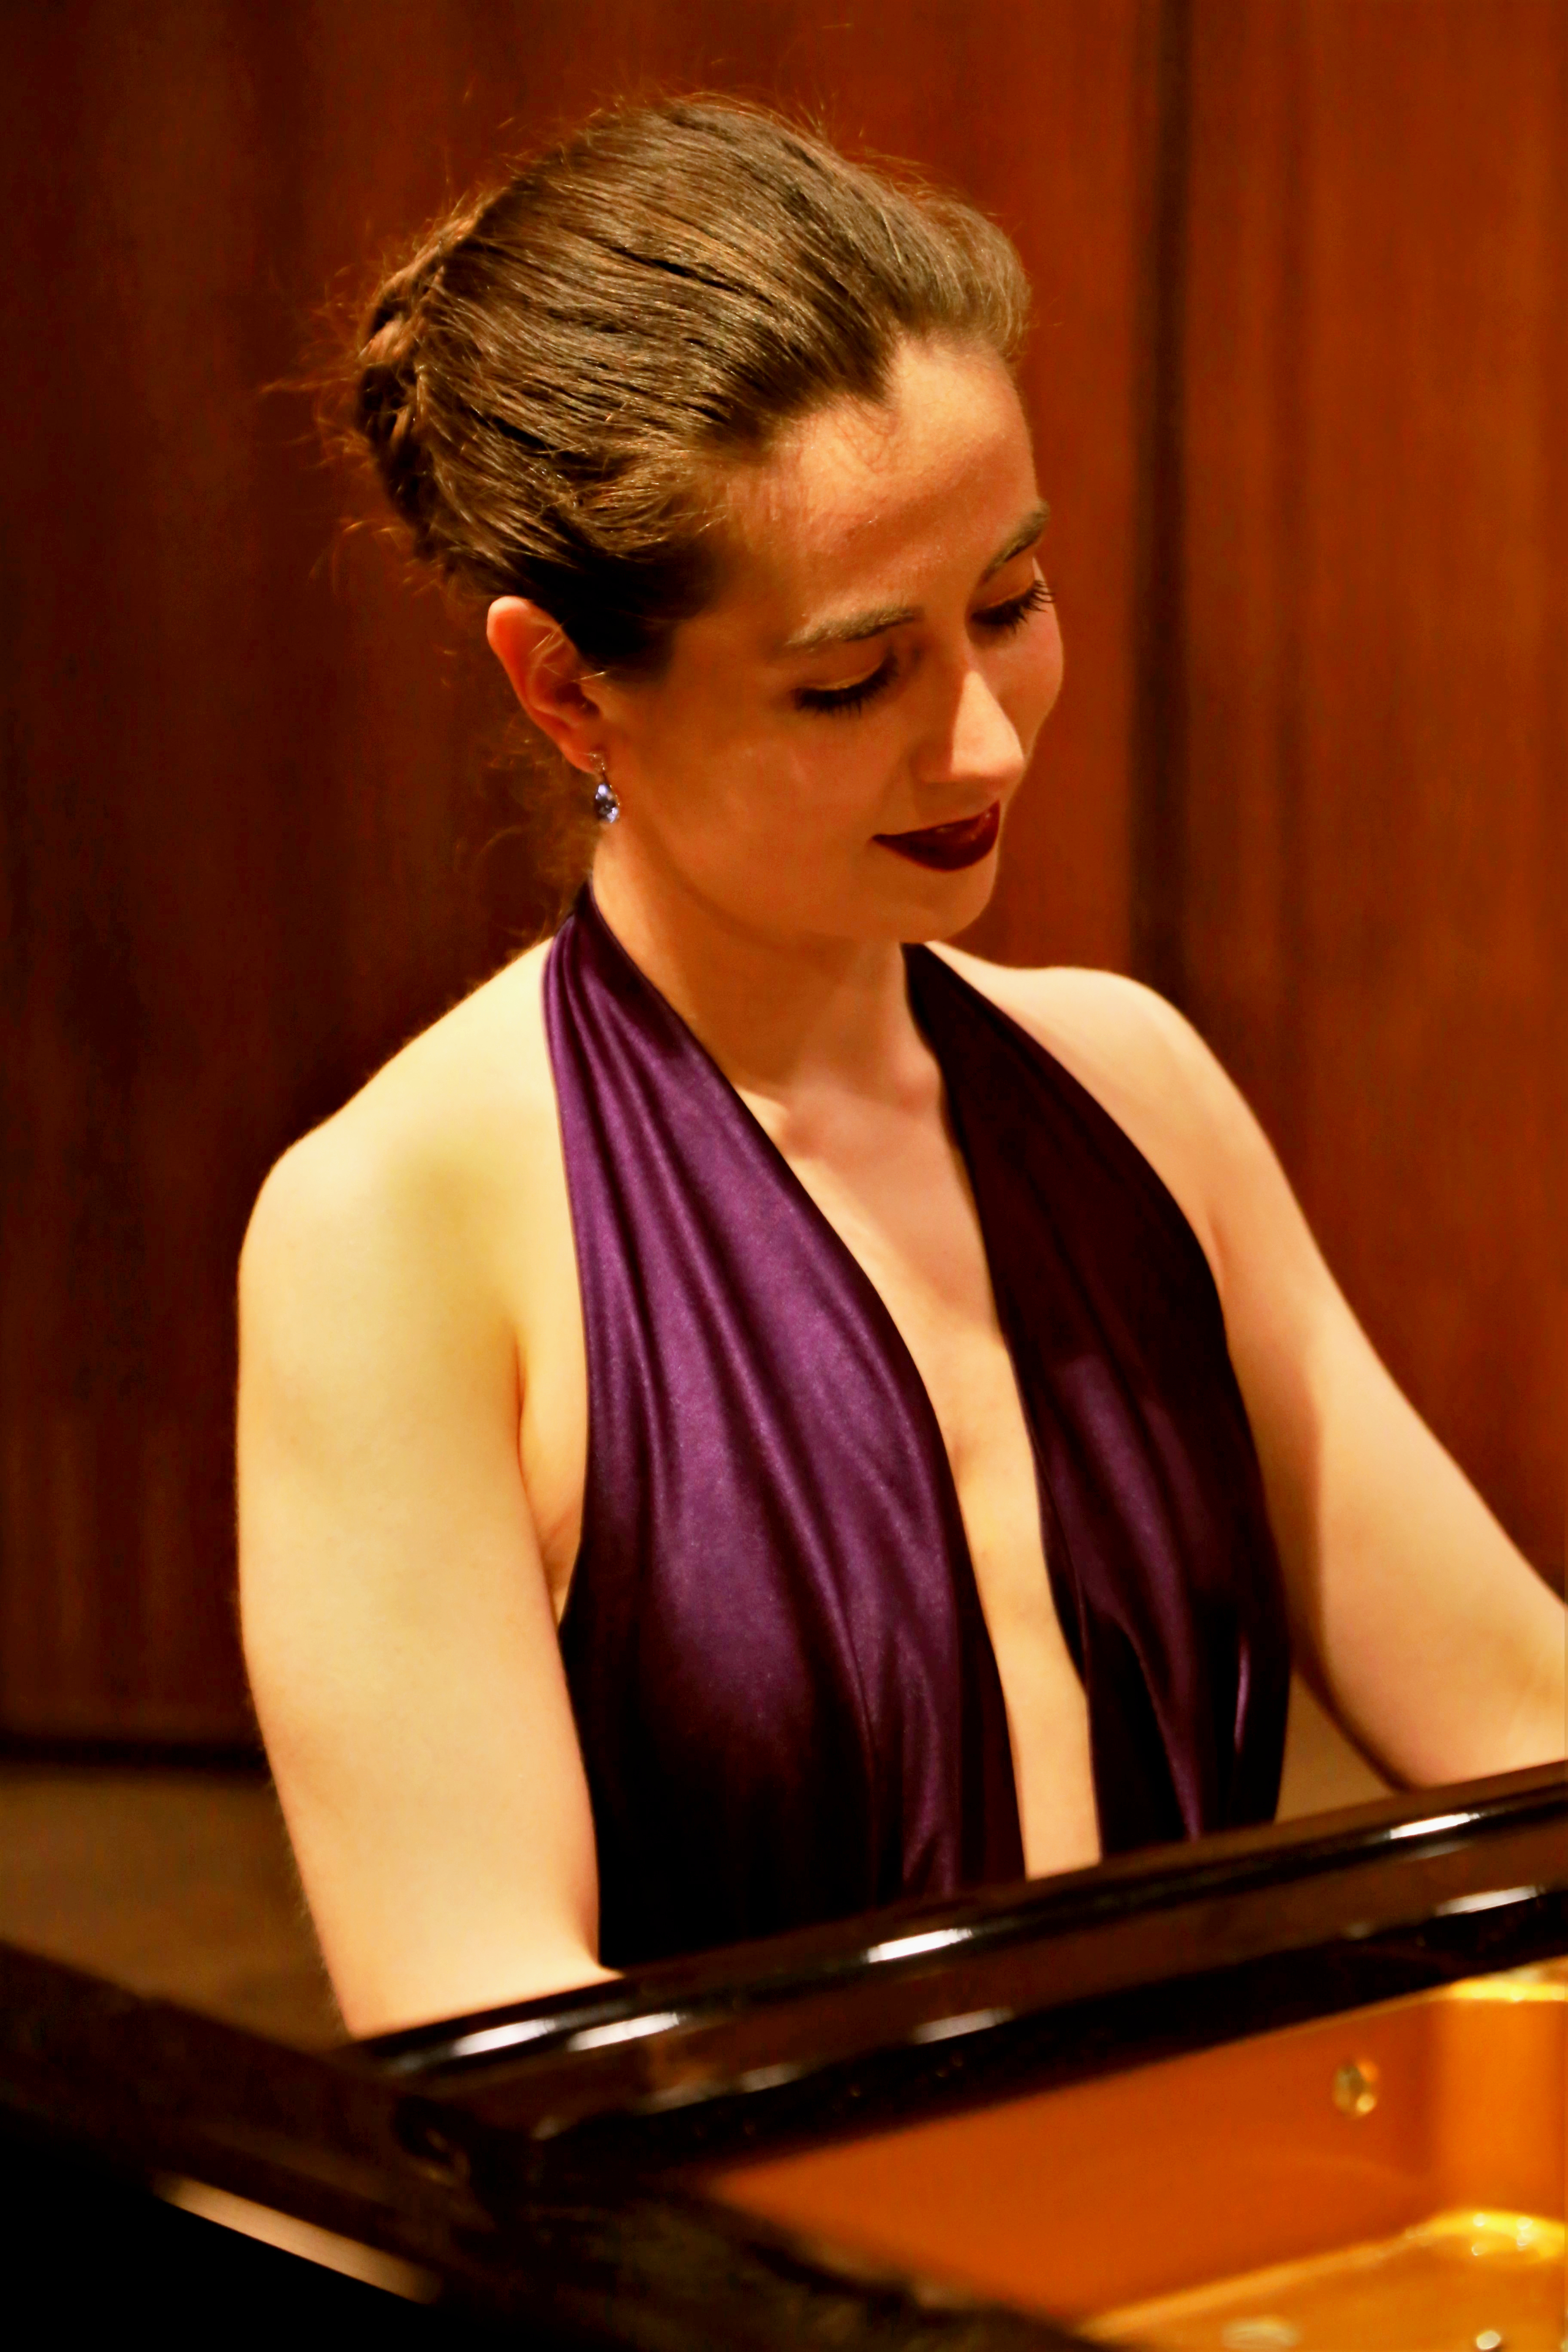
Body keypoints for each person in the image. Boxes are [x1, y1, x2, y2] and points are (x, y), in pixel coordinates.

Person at [236, 97, 1567, 2041]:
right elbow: (487, 2025)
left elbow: (1522, 1722)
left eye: (1010, 605)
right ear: (565, 683)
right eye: (852, 682)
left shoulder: (1138, 1087)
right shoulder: (399, 1234)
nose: (988, 748)